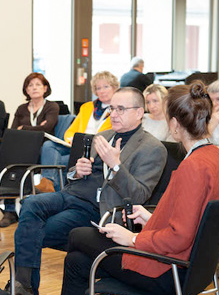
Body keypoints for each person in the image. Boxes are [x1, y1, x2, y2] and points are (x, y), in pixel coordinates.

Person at [61, 81, 219, 295]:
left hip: (166, 268)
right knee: (76, 260)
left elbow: (179, 237)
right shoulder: (213, 156)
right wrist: (151, 219)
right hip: (194, 267)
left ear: (173, 124)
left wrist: (132, 238)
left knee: (77, 236)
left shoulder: (193, 167)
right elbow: (194, 219)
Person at [13, 87, 167, 295]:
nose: (113, 114)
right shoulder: (103, 136)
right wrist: (77, 171)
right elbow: (72, 173)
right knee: (30, 203)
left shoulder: (152, 148)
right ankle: (25, 286)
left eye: (121, 109)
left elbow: (140, 195)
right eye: (112, 108)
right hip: (71, 194)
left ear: (139, 112)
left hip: (97, 209)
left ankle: (24, 287)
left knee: (32, 231)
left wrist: (116, 166)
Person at [39, 71, 118, 192]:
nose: (101, 91)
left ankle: (51, 186)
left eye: (105, 87)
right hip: (77, 144)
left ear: (115, 88)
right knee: (48, 145)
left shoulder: (117, 110)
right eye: (98, 88)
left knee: (57, 162)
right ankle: (50, 185)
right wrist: (70, 139)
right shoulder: (86, 107)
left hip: (95, 149)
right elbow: (71, 131)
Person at [0, 73, 60, 228]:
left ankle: (36, 206)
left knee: (18, 155)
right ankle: (9, 210)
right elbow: (13, 131)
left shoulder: (52, 106)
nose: (34, 88)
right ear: (26, 90)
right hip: (23, 147)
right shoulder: (21, 108)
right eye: (30, 85)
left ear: (45, 88)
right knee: (8, 154)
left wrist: (24, 128)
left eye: (38, 84)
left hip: (42, 148)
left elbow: (47, 128)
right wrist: (35, 128)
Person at [207, 80, 219, 145]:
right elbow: (196, 145)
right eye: (211, 100)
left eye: (218, 99)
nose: (214, 104)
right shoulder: (203, 118)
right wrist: (212, 124)